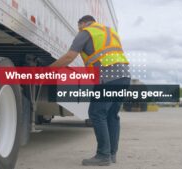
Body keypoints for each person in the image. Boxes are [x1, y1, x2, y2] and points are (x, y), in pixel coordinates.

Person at [50, 15, 131, 166]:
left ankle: (103, 155)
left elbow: (69, 57)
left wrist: (48, 70)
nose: (78, 30)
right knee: (112, 115)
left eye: (78, 27)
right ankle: (111, 154)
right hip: (124, 76)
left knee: (96, 113)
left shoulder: (86, 32)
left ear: (82, 23)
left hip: (108, 77)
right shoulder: (109, 31)